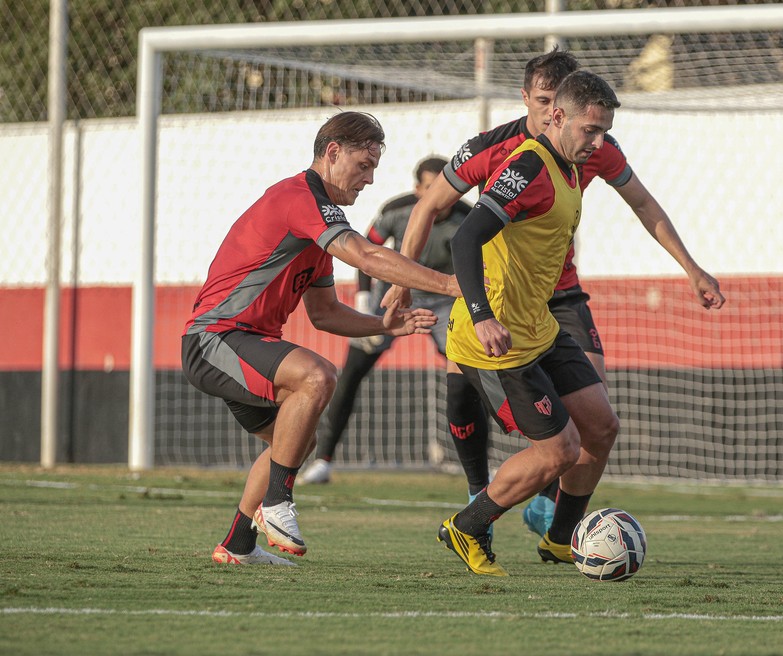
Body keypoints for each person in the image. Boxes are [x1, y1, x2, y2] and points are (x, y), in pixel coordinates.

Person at [384, 50, 725, 543]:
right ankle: (479, 494)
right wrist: (402, 280)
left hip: (559, 296)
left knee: (597, 417)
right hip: (497, 295)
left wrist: (691, 269)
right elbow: (429, 209)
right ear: (529, 99)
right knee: (463, 378)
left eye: (557, 101)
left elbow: (644, 202)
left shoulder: (592, 141)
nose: (550, 112)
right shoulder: (495, 149)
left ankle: (552, 519)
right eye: (542, 101)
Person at [181, 112, 459, 566]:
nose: (370, 180)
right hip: (215, 338)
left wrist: (383, 326)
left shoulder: (318, 225)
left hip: (239, 342)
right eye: (364, 165)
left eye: (374, 169)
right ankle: (277, 503)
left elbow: (325, 314)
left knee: (296, 440)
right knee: (318, 376)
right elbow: (368, 255)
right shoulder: (298, 198)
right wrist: (451, 285)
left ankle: (237, 545)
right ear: (333, 153)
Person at [434, 70, 624, 576]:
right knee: (558, 450)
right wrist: (481, 317)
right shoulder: (528, 167)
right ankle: (466, 526)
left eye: (604, 131)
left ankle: (561, 540)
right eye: (591, 131)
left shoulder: (572, 168)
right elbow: (465, 238)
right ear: (556, 117)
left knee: (601, 428)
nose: (598, 142)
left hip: (539, 327)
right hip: (496, 342)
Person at [297, 156, 472, 485]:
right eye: (431, 187)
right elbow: (367, 250)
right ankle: (323, 460)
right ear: (417, 188)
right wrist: (364, 300)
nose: (441, 194)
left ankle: (479, 466)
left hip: (445, 297)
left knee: (469, 373)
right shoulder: (395, 210)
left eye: (447, 186)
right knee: (351, 372)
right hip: (392, 293)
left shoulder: (469, 216)